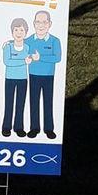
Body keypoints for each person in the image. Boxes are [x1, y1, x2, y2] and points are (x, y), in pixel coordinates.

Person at [26, 9, 62, 139]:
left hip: (48, 75)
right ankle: (34, 127)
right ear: (34, 24)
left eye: (44, 22)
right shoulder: (29, 40)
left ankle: (49, 128)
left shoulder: (54, 41)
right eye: (38, 22)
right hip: (33, 75)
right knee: (34, 101)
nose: (41, 25)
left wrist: (40, 57)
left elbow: (57, 58)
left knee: (48, 101)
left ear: (49, 24)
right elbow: (20, 49)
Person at [1, 18, 31, 137]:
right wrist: (24, 61)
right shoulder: (8, 47)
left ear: (26, 32)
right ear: (12, 32)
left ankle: (18, 127)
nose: (19, 33)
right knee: (9, 104)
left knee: (20, 103)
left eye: (21, 30)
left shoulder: (27, 48)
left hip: (23, 79)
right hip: (10, 79)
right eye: (16, 30)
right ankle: (6, 127)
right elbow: (7, 61)